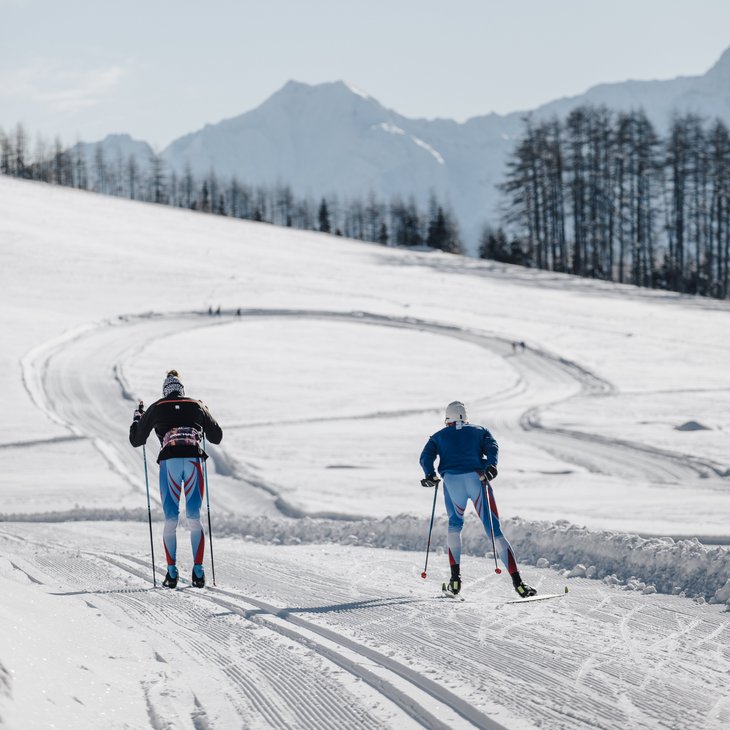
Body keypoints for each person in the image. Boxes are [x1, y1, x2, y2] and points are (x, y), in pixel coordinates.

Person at [419, 401, 536, 598]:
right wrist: (491, 466)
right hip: (477, 479)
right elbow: (492, 447)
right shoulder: (480, 430)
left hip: (452, 482)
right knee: (495, 532)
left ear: (447, 419)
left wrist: (430, 474)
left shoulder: (438, 436)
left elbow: (425, 456)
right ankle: (519, 584)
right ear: (465, 417)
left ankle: (455, 581)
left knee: (454, 526)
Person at [129, 370, 223, 589]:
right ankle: (198, 572)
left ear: (165, 390)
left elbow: (136, 440)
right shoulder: (196, 405)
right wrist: (203, 413)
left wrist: (137, 418)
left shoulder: (156, 407)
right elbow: (216, 436)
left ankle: (171, 573)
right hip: (193, 462)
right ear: (182, 390)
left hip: (169, 462)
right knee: (193, 516)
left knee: (171, 518)